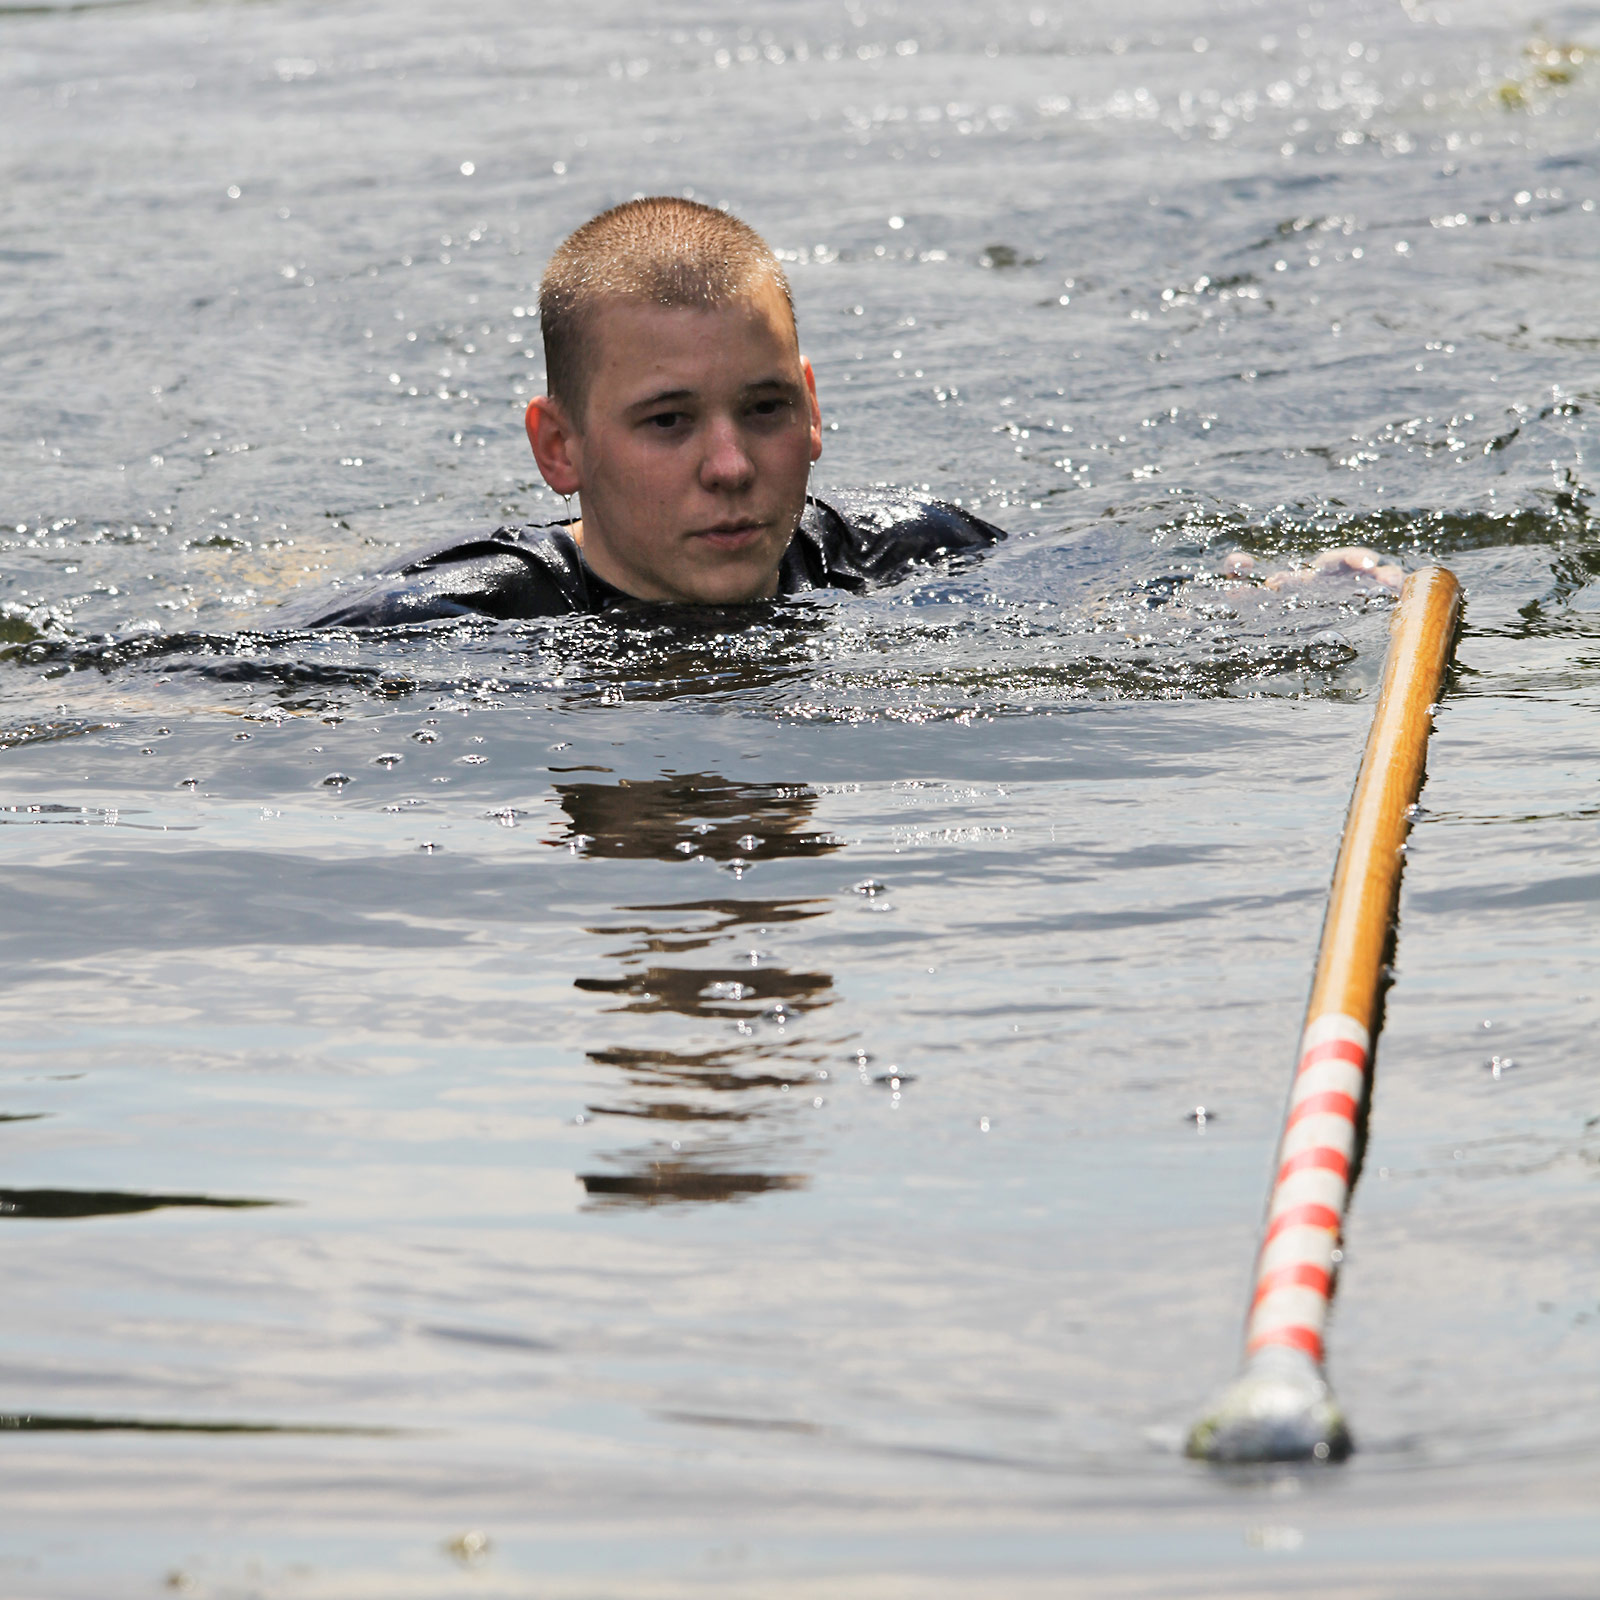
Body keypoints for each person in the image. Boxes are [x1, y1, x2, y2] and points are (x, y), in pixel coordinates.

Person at [281, 198, 1004, 629]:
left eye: (764, 408)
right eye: (668, 421)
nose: (731, 466)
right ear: (560, 447)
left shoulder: (912, 549)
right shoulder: (444, 618)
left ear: (811, 408)